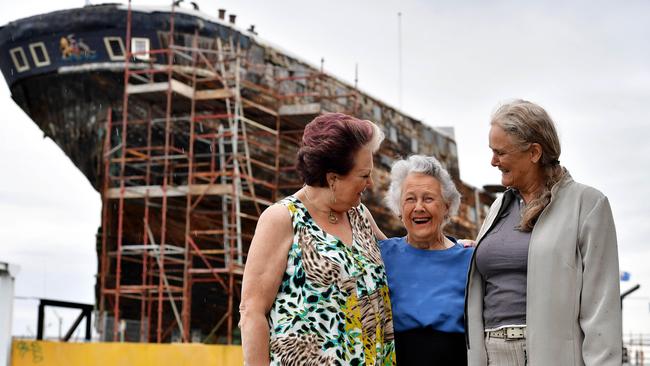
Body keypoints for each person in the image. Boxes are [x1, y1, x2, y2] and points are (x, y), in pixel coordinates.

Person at [465, 99, 622, 365]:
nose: (493, 161)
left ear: (534, 152)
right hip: (492, 355)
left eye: (500, 152)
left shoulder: (588, 204)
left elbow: (601, 307)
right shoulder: (498, 207)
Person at [239, 113, 396, 365]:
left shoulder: (360, 216)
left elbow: (402, 259)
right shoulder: (282, 219)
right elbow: (251, 312)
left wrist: (450, 247)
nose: (371, 183)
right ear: (333, 178)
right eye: (364, 175)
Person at [379, 155, 472, 365]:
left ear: (446, 206)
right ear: (399, 208)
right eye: (410, 199)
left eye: (428, 198)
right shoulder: (381, 255)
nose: (418, 207)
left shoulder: (470, 259)